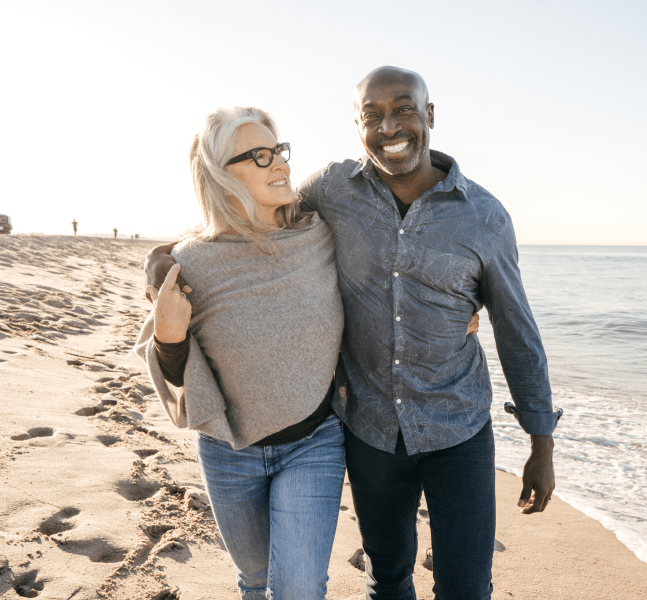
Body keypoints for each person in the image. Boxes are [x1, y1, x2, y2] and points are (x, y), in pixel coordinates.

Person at [147, 67, 561, 600]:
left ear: (429, 115)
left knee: (467, 587)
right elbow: (241, 223)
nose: (390, 127)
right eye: (373, 116)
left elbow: (517, 330)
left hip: (457, 425)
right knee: (387, 578)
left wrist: (541, 441)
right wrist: (159, 259)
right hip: (370, 430)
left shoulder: (484, 217)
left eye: (405, 109)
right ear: (358, 125)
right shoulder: (331, 191)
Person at [135, 106, 348, 600]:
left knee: (297, 588)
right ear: (217, 175)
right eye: (258, 156)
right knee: (255, 582)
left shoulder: (318, 236)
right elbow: (178, 373)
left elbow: (386, 262)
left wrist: (456, 309)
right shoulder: (191, 264)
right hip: (229, 451)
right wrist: (169, 336)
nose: (281, 164)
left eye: (278, 151)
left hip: (314, 442)